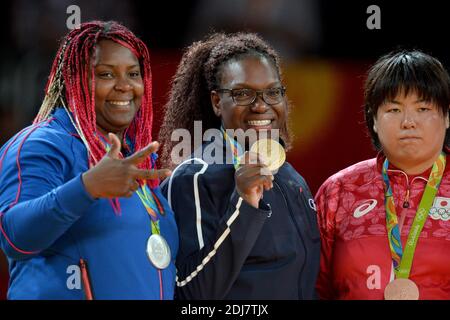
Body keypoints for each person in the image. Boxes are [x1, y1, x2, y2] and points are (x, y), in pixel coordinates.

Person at [0, 21, 178, 300]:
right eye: (106, 74)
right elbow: (16, 237)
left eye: (133, 73)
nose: (125, 86)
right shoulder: (42, 144)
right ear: (75, 81)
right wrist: (87, 187)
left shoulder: (137, 159)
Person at [159, 32, 320, 299]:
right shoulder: (195, 178)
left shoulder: (291, 177)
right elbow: (190, 295)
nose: (261, 106)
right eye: (243, 93)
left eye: (272, 92)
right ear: (216, 102)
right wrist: (244, 206)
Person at [315, 50, 450, 299]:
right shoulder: (339, 191)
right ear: (374, 119)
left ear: (447, 116)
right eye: (394, 110)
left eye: (423, 108)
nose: (408, 121)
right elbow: (315, 289)